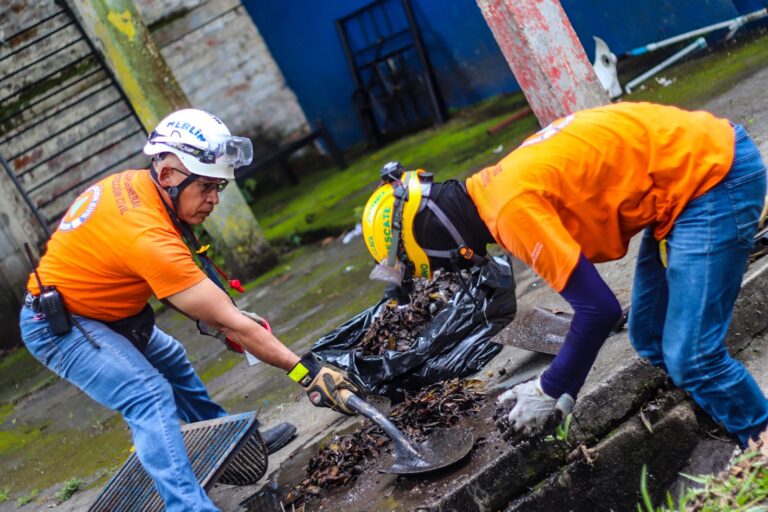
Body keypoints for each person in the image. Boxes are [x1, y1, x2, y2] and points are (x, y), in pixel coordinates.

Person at [360, 101, 768, 448]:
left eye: (430, 264)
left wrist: (549, 387)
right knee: (651, 336)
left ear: (428, 237)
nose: (448, 268)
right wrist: (565, 392)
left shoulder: (510, 212)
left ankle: (760, 443)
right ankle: (729, 426)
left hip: (714, 178)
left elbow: (599, 310)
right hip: (689, 179)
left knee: (693, 357)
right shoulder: (495, 191)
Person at [19, 109, 358, 511]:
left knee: (174, 361)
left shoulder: (137, 187)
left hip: (110, 314)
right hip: (63, 325)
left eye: (219, 187)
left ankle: (232, 442)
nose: (215, 200)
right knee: (148, 395)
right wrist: (307, 372)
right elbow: (225, 317)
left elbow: (183, 293)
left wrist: (221, 320)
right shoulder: (147, 235)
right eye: (207, 188)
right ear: (168, 177)